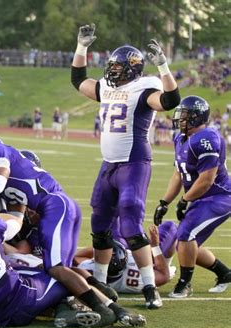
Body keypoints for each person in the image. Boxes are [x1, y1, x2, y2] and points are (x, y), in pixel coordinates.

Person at [0, 136, 146, 327]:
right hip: (59, 206)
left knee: (56, 269)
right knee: (61, 270)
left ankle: (102, 309)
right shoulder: (11, 182)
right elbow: (16, 219)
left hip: (54, 206)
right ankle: (112, 305)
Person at [71, 23, 181, 309]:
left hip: (134, 164)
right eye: (112, 66)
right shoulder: (107, 87)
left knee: (131, 223)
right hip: (108, 166)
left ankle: (148, 287)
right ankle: (101, 282)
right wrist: (82, 47)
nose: (113, 71)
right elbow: (78, 80)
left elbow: (170, 101)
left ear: (132, 68)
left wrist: (163, 67)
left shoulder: (145, 88)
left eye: (118, 67)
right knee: (100, 225)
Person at [153, 96, 231, 297]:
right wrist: (165, 202)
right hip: (200, 196)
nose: (181, 119)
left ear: (198, 117)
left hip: (219, 196)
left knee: (186, 234)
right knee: (184, 244)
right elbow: (178, 173)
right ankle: (225, 273)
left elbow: (206, 180)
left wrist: (184, 200)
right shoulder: (180, 138)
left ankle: (185, 284)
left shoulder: (207, 139)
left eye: (186, 116)